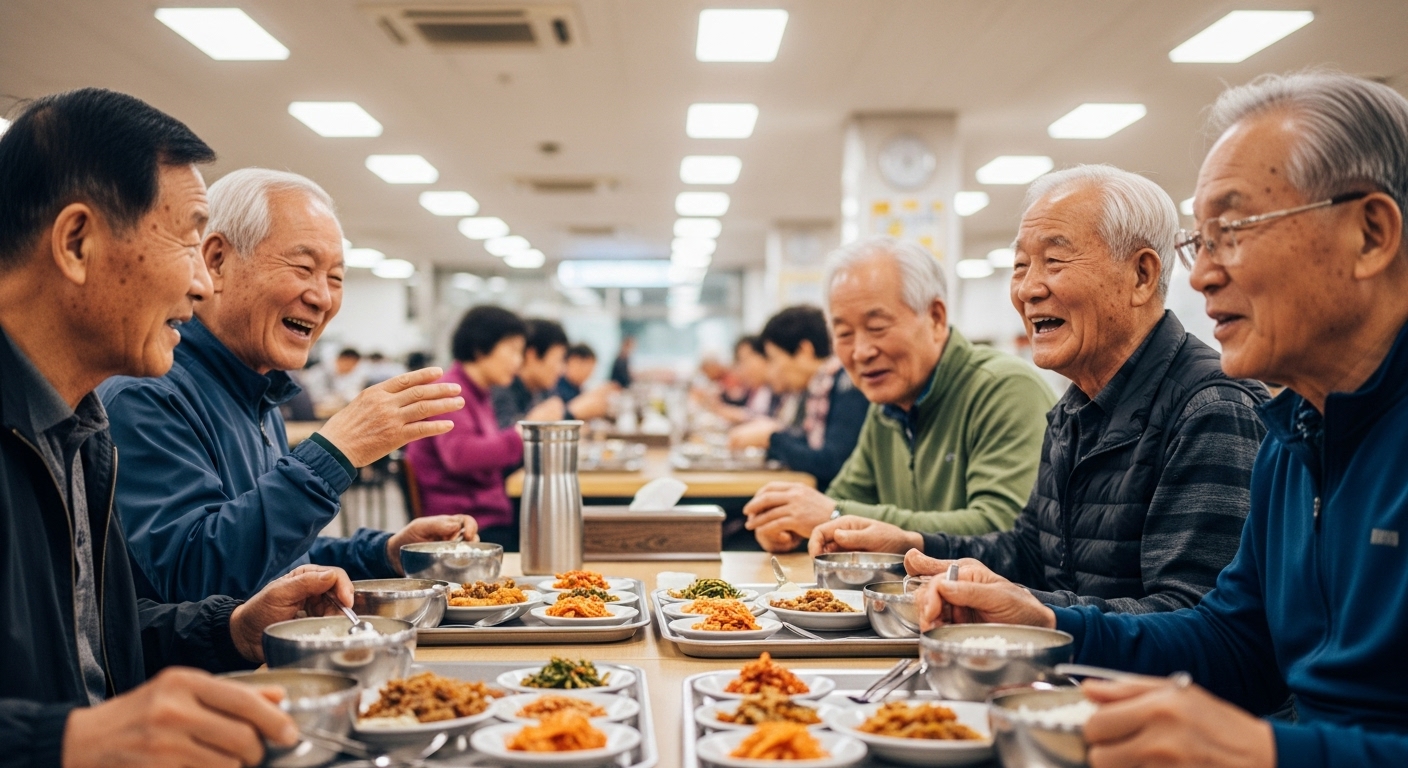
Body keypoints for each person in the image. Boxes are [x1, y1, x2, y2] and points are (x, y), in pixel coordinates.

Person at [914, 72, 1408, 767]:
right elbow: (1235, 641)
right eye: (1198, 242)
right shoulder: (1295, 433)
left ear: (1371, 233)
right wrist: (1048, 623)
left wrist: (1268, 752)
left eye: (1232, 231)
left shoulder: (1223, 407)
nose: (1202, 274)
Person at [0, 86, 360, 768]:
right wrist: (73, 741)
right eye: (189, 242)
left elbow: (93, 642)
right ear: (77, 241)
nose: (202, 285)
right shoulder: (134, 404)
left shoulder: (81, 431)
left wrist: (230, 629)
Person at [813, 166, 1268, 616]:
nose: (1027, 289)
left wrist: (1040, 613)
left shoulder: (1212, 409)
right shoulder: (1073, 410)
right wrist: (913, 544)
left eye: (1054, 261)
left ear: (1142, 276)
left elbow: (1200, 622)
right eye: (1020, 266)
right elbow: (1031, 554)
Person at [99, 167, 473, 602]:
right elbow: (195, 573)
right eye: (303, 268)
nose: (323, 297)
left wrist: (386, 553)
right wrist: (333, 454)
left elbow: (276, 558)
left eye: (335, 277)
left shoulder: (259, 391)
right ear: (215, 261)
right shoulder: (147, 393)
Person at [743, 236, 1055, 553]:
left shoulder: (1005, 388)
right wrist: (794, 528)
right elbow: (843, 499)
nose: (861, 352)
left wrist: (834, 516)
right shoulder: (887, 405)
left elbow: (1003, 531)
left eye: (877, 327)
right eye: (844, 334)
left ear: (935, 318)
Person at [407, 306, 559, 550]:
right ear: (480, 347)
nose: (518, 362)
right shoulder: (450, 390)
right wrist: (523, 432)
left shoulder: (479, 392)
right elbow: (460, 455)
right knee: (554, 536)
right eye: (512, 350)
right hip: (462, 529)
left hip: (483, 518)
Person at [729, 305, 869, 491]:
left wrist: (772, 438)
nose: (772, 371)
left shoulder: (847, 384)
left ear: (804, 350)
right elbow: (810, 445)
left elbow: (832, 463)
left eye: (774, 359)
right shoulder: (819, 387)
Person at [492, 318, 612, 425]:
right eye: (558, 360)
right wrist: (572, 413)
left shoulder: (541, 391)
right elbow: (507, 439)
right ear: (532, 356)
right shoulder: (502, 389)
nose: (561, 370)